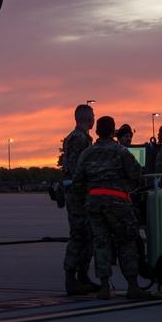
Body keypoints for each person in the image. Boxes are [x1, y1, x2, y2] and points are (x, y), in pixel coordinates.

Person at [72, 116, 153, 300]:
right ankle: (133, 286)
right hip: (117, 202)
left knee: (101, 244)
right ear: (113, 132)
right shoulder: (121, 151)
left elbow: (77, 180)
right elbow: (135, 173)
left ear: (97, 131)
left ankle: (104, 288)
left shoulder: (87, 153)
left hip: (94, 203)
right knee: (126, 242)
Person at [61, 103, 99, 295]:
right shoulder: (78, 138)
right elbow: (78, 169)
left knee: (86, 234)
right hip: (77, 192)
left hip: (79, 191)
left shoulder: (80, 138)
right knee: (78, 234)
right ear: (89, 119)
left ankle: (82, 276)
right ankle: (71, 278)